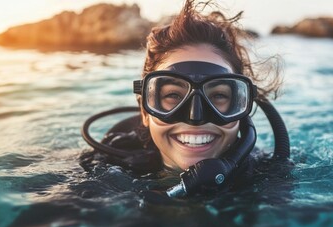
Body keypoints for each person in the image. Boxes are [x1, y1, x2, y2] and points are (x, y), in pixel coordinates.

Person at [81, 0, 287, 197]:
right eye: (172, 95)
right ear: (144, 111)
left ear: (241, 109)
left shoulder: (266, 179)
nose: (195, 118)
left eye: (218, 95)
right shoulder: (105, 171)